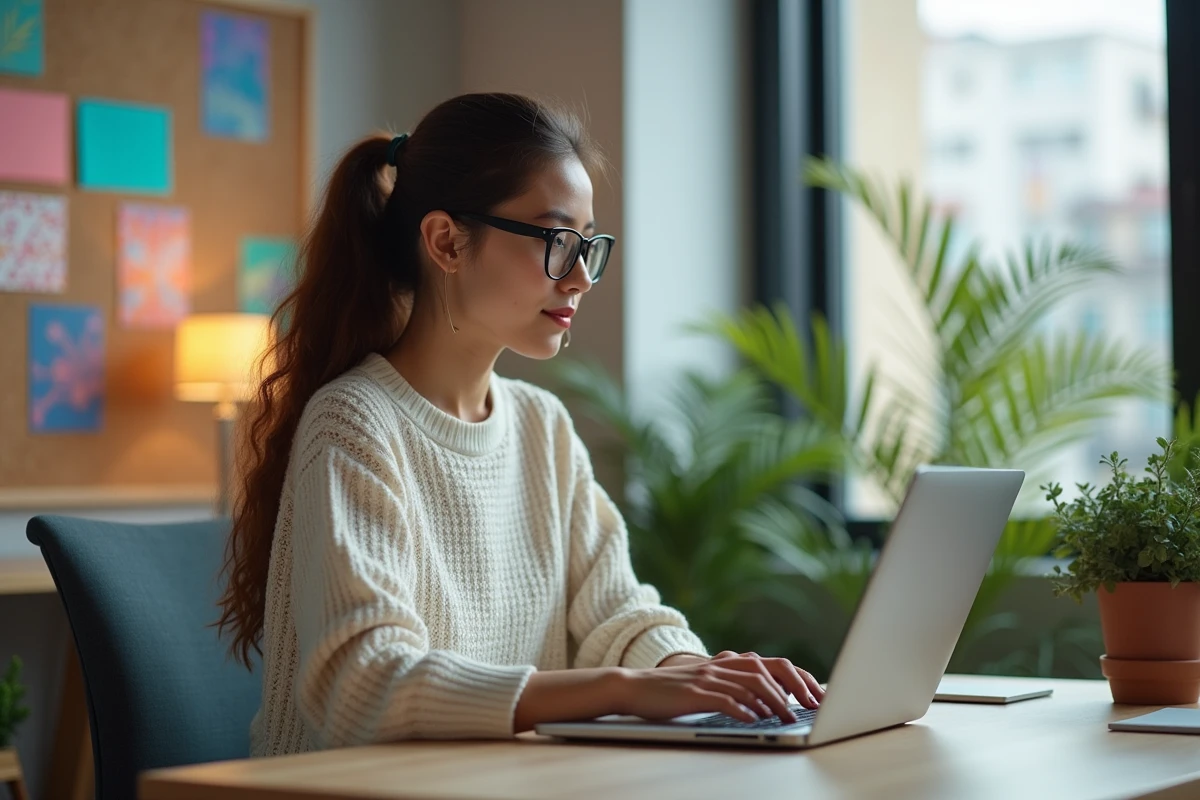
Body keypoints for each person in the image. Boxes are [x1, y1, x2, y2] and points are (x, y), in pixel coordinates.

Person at [215, 92, 825, 757]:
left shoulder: (542, 428)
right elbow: (365, 685)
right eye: (559, 241)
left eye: (589, 245)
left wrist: (695, 676)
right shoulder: (355, 425)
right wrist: (622, 690)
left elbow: (616, 615)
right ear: (446, 240)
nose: (582, 278)